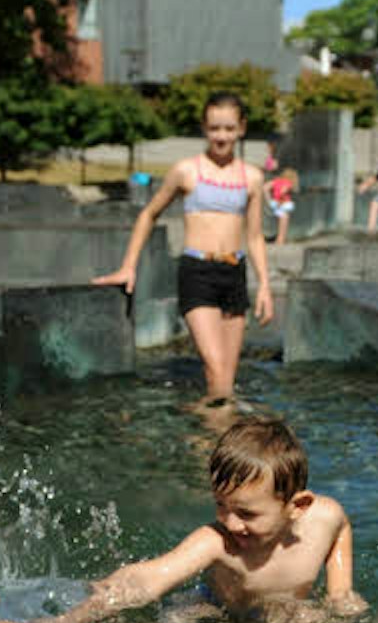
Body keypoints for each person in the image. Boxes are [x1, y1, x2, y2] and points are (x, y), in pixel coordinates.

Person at [0, 416, 358, 623]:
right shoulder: (218, 543)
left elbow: (341, 529)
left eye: (246, 513)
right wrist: (67, 621)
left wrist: (340, 590)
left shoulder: (324, 517)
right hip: (215, 611)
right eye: (220, 505)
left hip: (277, 613)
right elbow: (148, 579)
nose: (230, 521)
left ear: (296, 506)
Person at [95, 92, 273, 404]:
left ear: (242, 128)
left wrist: (265, 286)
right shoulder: (186, 171)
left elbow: (255, 236)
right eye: (215, 128)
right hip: (198, 273)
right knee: (216, 370)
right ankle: (211, 441)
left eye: (229, 129)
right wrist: (128, 266)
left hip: (235, 272)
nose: (222, 136)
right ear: (204, 128)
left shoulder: (252, 178)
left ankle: (209, 444)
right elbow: (149, 213)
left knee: (226, 382)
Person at [267, 167, 298, 248]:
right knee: (284, 222)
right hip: (283, 204)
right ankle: (281, 240)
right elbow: (283, 191)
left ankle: (279, 239)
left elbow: (265, 187)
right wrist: (281, 198)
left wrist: (269, 199)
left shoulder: (276, 181)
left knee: (279, 222)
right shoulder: (288, 183)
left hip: (275, 203)